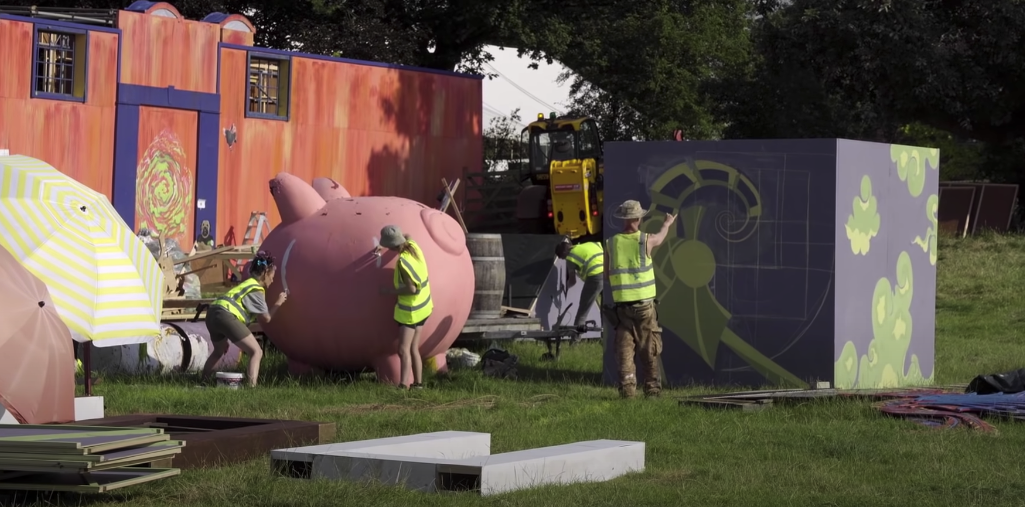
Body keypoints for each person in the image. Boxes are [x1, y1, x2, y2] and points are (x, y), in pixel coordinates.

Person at [605, 200, 676, 398]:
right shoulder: (646, 240)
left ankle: (628, 391)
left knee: (624, 349)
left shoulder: (611, 243)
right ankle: (652, 390)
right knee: (649, 348)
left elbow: (605, 275)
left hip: (622, 308)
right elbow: (661, 238)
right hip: (644, 307)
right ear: (639, 218)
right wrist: (666, 224)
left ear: (623, 219)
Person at [201, 251, 286, 388]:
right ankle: (251, 388)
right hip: (225, 315)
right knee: (256, 352)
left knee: (218, 351)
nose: (273, 280)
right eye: (272, 276)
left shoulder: (247, 284)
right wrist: (279, 302)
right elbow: (266, 318)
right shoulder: (257, 289)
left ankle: (203, 383)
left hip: (212, 313)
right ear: (265, 273)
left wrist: (225, 334)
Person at [377, 225, 433, 390]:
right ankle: (418, 384)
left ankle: (402, 385)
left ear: (392, 246)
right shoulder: (413, 246)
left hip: (411, 312)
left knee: (403, 350)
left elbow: (411, 289)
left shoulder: (403, 262)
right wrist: (386, 244)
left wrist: (389, 291)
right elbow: (408, 234)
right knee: (414, 348)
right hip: (424, 307)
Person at [555, 238, 604, 330]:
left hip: (595, 277)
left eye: (563, 258)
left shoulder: (570, 257)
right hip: (610, 275)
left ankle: (575, 339)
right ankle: (605, 337)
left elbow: (573, 281)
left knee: (583, 310)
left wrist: (564, 288)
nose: (565, 260)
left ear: (564, 253)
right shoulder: (590, 244)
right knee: (606, 309)